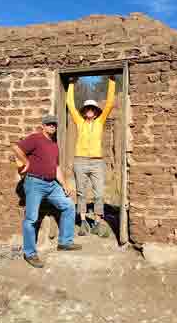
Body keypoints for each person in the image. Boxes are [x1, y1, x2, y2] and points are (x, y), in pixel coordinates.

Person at [12, 115, 82, 268]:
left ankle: (65, 242)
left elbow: (56, 168)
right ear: (42, 126)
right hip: (35, 183)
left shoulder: (54, 145)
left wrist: (64, 185)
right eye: (49, 124)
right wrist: (26, 162)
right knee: (31, 219)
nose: (52, 126)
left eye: (54, 124)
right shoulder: (36, 138)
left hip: (51, 185)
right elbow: (17, 148)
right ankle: (29, 253)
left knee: (69, 205)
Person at [66, 76, 115, 237]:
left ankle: (98, 223)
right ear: (84, 111)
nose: (89, 110)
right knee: (81, 192)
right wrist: (71, 84)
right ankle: (83, 222)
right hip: (80, 161)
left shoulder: (100, 122)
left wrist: (112, 82)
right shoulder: (79, 122)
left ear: (95, 112)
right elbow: (70, 105)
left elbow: (109, 104)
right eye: (87, 108)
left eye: (92, 109)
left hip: (97, 162)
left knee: (99, 193)